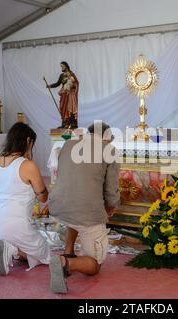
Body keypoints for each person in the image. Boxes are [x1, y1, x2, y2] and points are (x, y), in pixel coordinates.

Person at [48, 121, 120, 293]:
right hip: (86, 212)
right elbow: (111, 190)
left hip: (58, 206)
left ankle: (68, 250)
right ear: (106, 137)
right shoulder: (109, 151)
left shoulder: (67, 144)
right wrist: (111, 207)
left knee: (75, 213)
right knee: (94, 265)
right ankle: (66, 263)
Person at [0, 122, 50, 276]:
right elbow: (43, 197)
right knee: (45, 252)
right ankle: (11, 250)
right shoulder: (27, 165)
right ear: (27, 141)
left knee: (18, 242)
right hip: (15, 225)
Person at [47, 61, 79, 129]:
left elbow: (76, 83)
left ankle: (70, 123)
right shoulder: (62, 75)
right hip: (63, 95)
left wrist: (71, 86)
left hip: (69, 95)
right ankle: (64, 123)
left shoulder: (71, 74)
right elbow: (58, 83)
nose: (61, 68)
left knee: (69, 109)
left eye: (62, 66)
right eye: (61, 66)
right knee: (62, 108)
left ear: (66, 66)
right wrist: (50, 86)